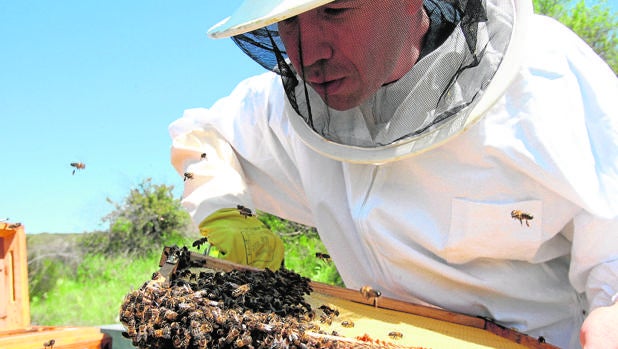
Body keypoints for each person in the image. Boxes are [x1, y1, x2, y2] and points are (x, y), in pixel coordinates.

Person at [169, 1, 618, 348]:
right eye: (289, 22)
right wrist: (218, 210)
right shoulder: (280, 109)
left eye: (335, 11)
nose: (310, 53)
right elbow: (199, 140)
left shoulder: (544, 79)